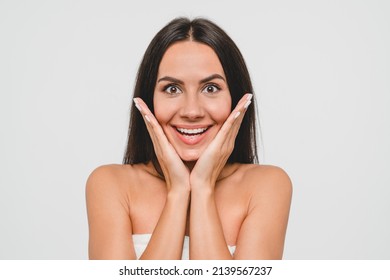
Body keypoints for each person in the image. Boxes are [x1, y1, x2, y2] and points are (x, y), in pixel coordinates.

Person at [86, 17, 292, 260]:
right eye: (172, 89)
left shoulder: (267, 186)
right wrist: (178, 192)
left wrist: (203, 187)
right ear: (149, 99)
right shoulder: (110, 185)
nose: (191, 111)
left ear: (236, 99)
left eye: (210, 88)